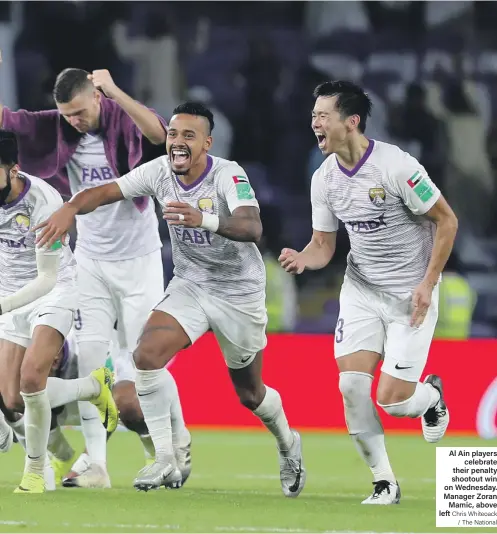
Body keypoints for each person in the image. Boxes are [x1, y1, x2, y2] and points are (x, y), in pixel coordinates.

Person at [34, 101, 306, 497]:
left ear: (207, 144)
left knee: (250, 394)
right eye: (174, 135)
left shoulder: (229, 175)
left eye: (188, 137)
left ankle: (287, 442)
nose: (178, 143)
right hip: (190, 285)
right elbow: (108, 190)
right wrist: (71, 207)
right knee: (145, 355)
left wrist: (204, 219)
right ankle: (164, 456)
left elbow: (252, 227)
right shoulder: (160, 171)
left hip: (238, 294)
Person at [0, 67, 190, 488]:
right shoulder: (58, 129)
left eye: (80, 112)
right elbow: (6, 120)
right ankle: (97, 465)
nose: (74, 121)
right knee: (91, 362)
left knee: (148, 361)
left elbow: (159, 135)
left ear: (97, 98)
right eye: (66, 114)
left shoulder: (123, 119)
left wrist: (115, 91)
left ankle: (174, 440)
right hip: (88, 259)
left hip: (139, 260)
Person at [279, 81, 458, 504]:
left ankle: (431, 396)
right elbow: (323, 246)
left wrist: (428, 284)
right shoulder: (323, 179)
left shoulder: (396, 167)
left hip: (410, 294)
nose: (315, 123)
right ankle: (384, 481)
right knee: (351, 387)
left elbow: (446, 221)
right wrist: (305, 259)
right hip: (361, 290)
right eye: (313, 116)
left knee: (393, 402)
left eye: (324, 115)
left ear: (352, 121)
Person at [0, 131, 117, 493]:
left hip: (53, 291)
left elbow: (47, 278)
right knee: (12, 399)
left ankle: (35, 473)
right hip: (8, 293)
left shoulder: (43, 201)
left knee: (32, 379)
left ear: (14, 170)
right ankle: (93, 386)